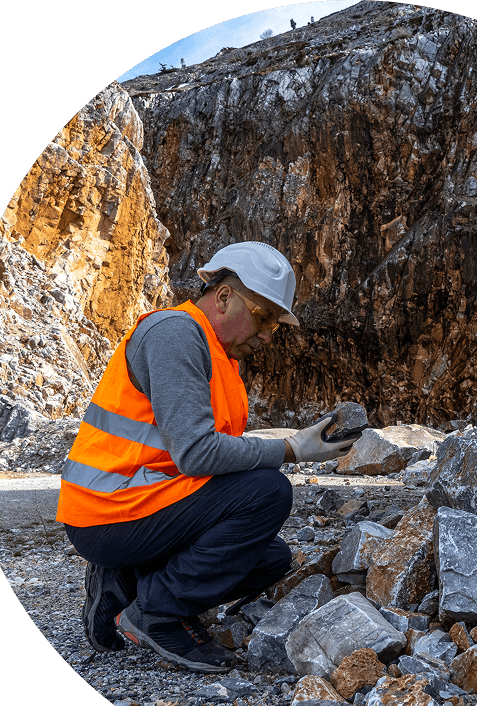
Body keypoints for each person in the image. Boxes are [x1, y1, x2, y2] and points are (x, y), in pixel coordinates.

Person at [57, 241, 359, 673]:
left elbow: (208, 458)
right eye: (263, 317)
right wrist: (290, 449)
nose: (268, 335)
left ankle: (125, 582)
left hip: (142, 503)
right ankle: (157, 613)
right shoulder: (175, 335)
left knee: (269, 559)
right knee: (268, 493)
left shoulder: (219, 355)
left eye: (275, 324)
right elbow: (197, 453)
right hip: (109, 510)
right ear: (224, 297)